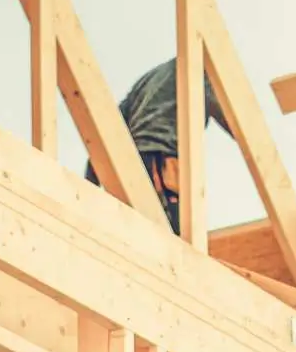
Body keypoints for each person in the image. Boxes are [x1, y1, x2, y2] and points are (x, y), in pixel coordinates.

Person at [88, 59, 232, 236]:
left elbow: (111, 124)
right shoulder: (198, 70)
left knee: (136, 231)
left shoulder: (149, 79)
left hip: (130, 163)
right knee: (175, 236)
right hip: (161, 158)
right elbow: (233, 121)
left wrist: (89, 185)